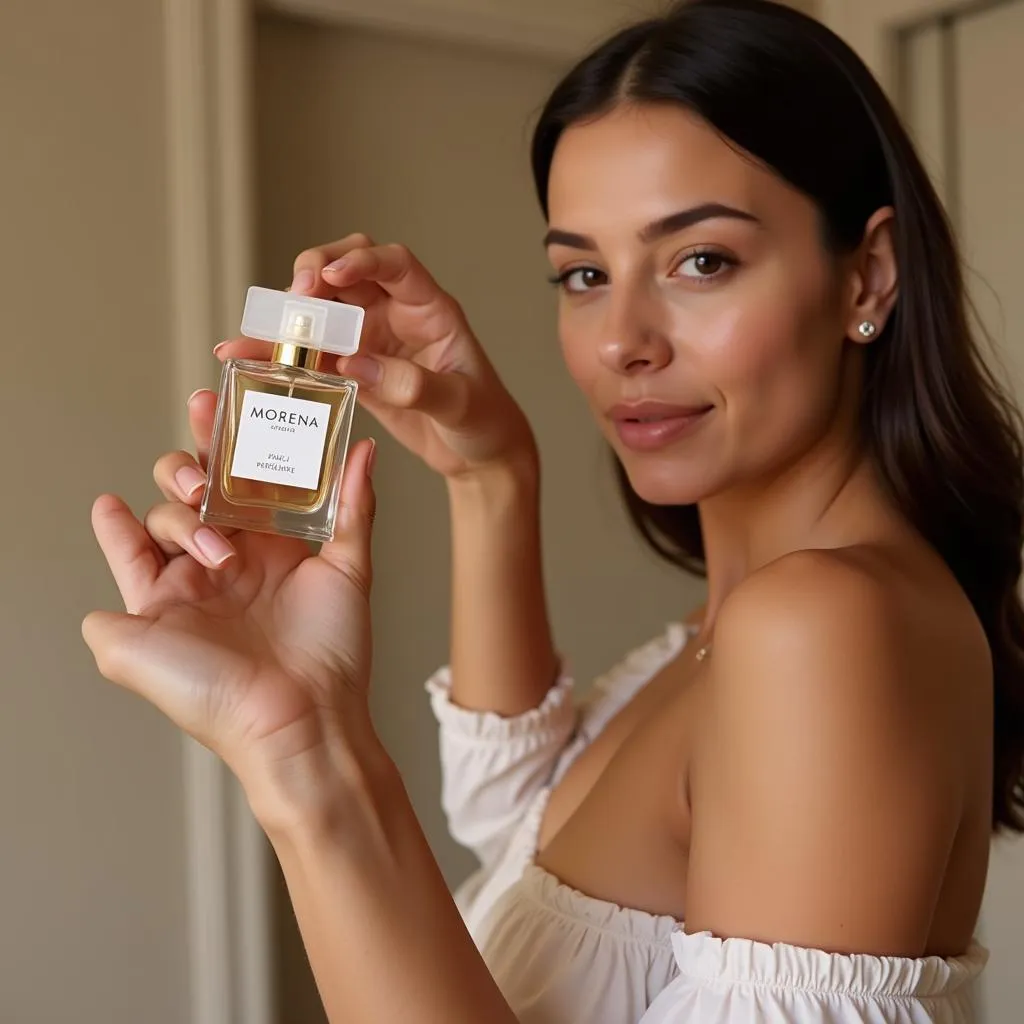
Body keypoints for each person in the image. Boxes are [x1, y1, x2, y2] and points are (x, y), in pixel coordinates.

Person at [83, 0, 1024, 1020]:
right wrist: (492, 477)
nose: (623, 338)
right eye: (583, 273)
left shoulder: (819, 626)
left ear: (866, 275)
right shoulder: (717, 632)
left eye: (700, 260)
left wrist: (304, 752)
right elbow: (517, 827)